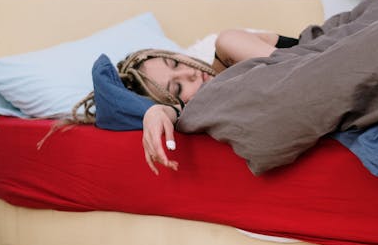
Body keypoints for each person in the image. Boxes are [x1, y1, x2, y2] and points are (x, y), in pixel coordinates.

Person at [72, 29, 299, 174]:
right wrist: (159, 112)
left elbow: (301, 69)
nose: (189, 75)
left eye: (175, 64)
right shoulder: (209, 110)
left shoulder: (228, 47)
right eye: (177, 88)